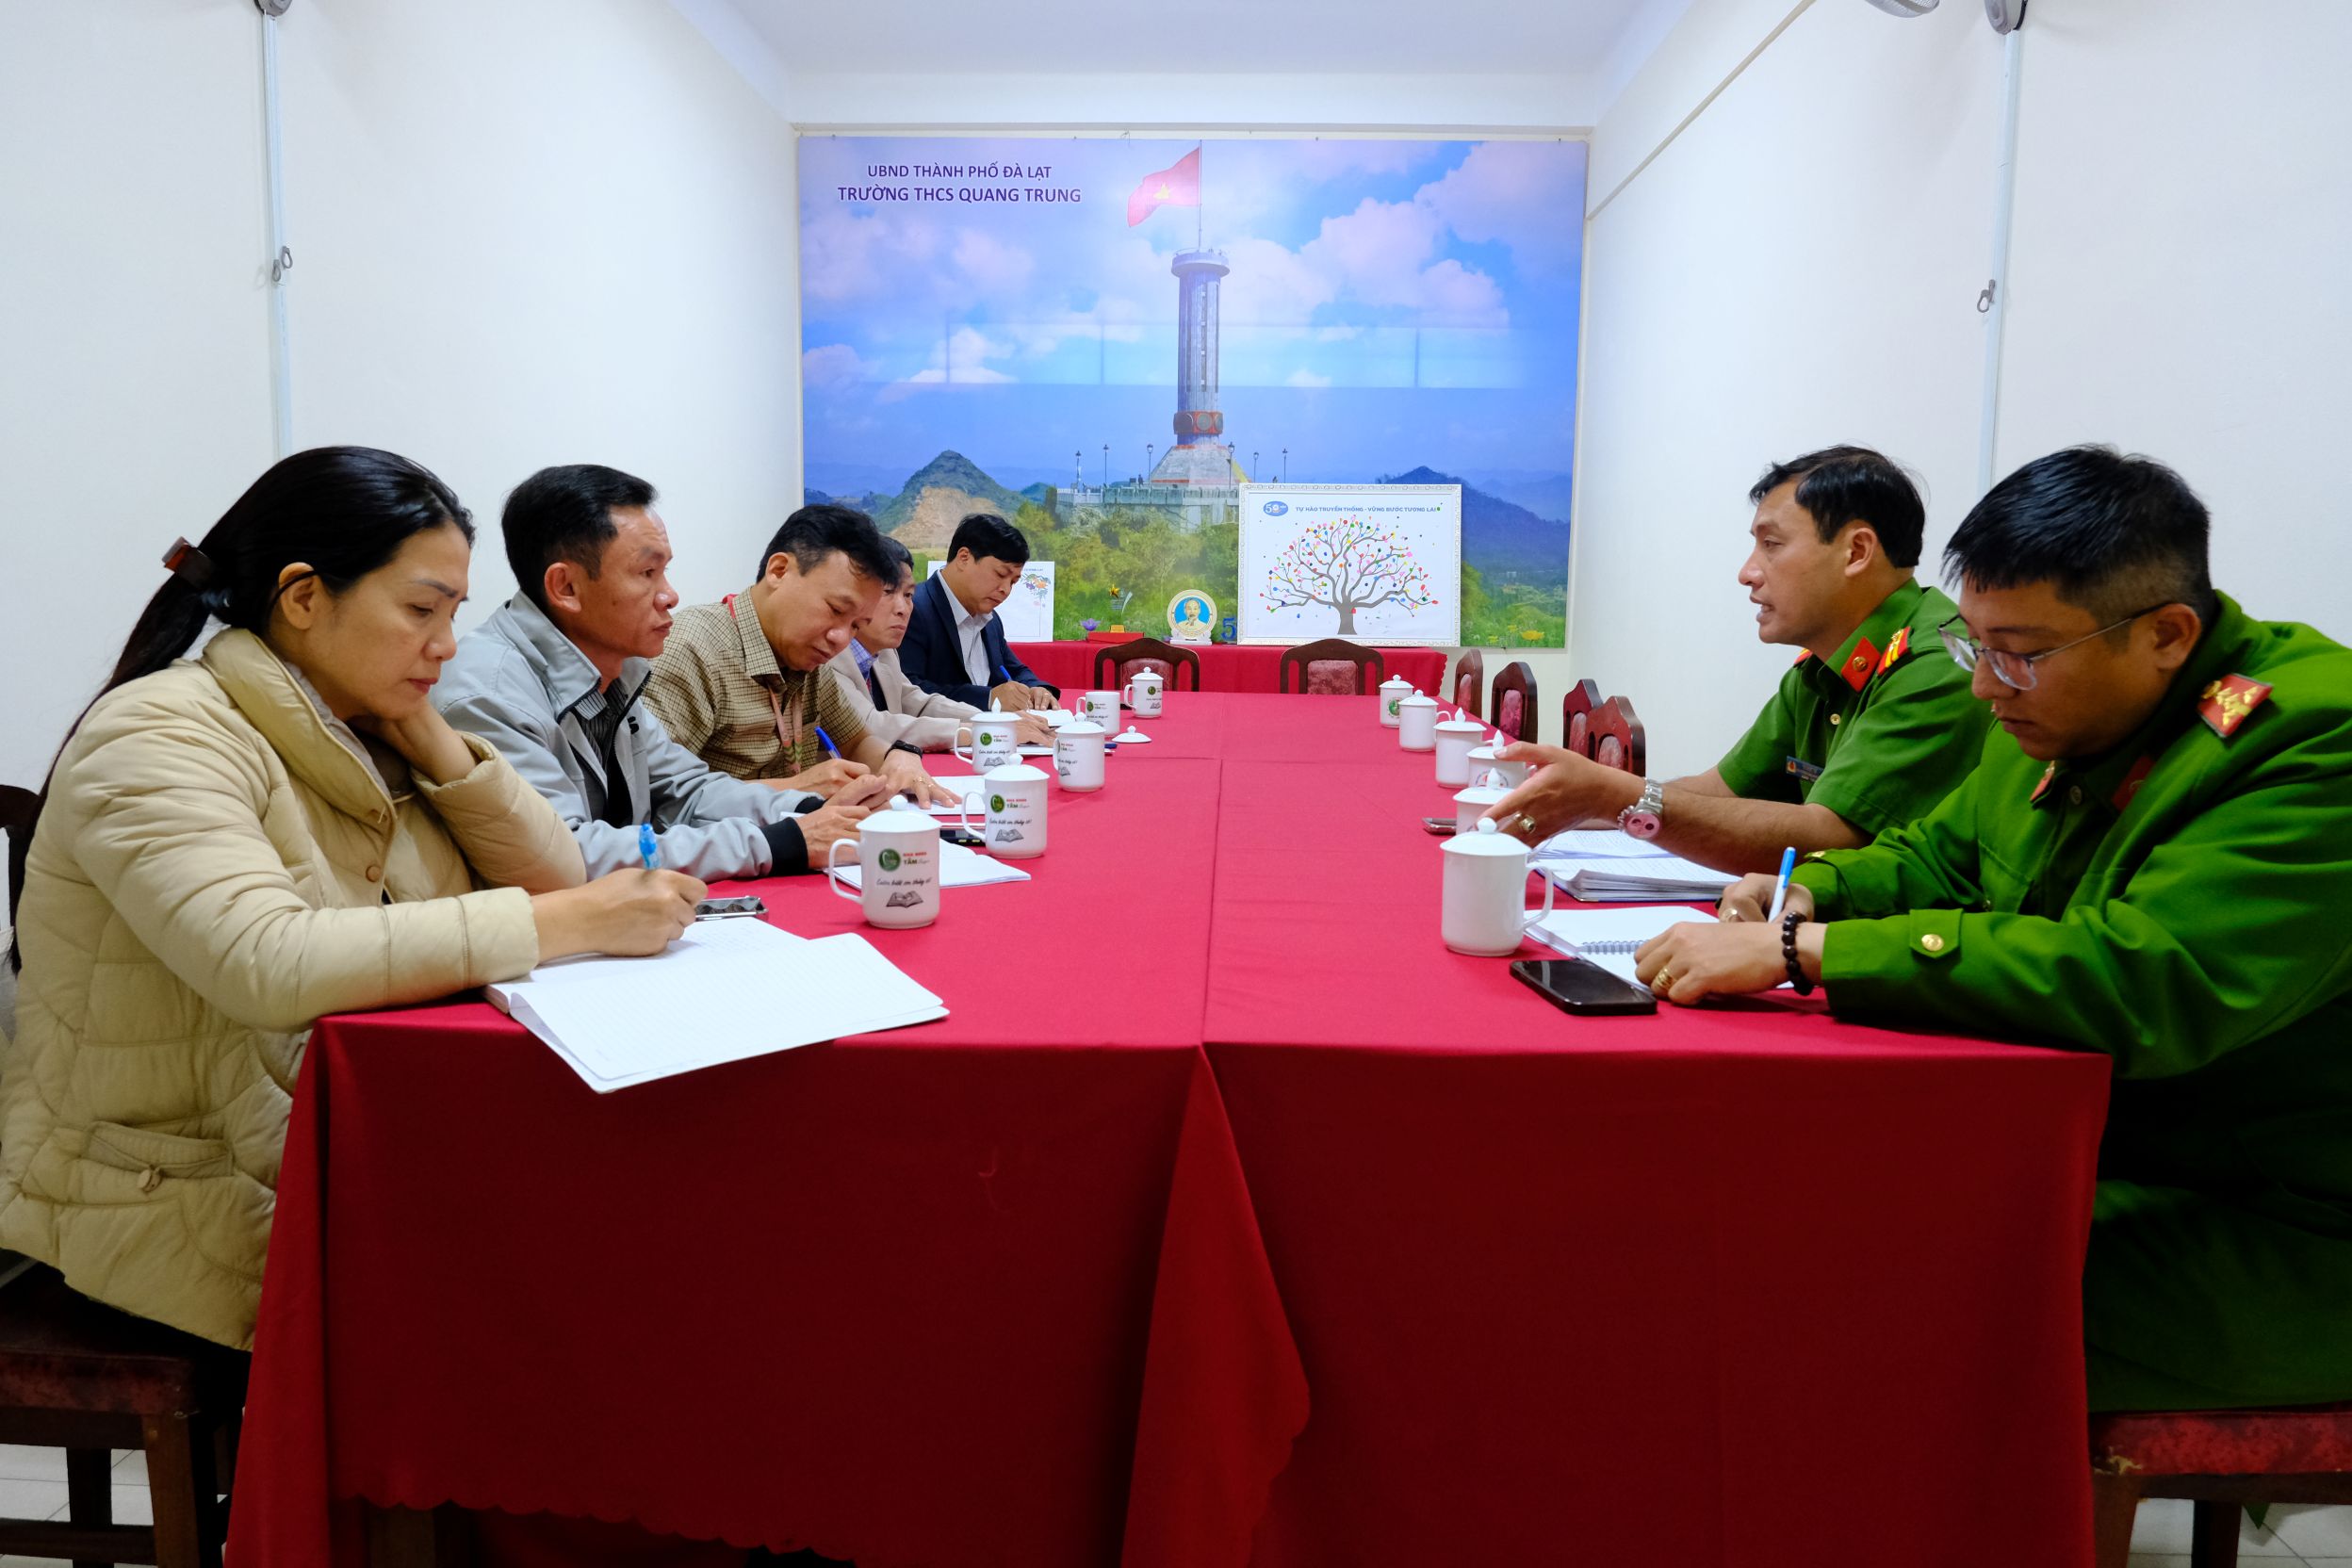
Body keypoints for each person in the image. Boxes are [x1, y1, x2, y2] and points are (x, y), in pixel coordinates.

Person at [1636, 447, 2352, 1412]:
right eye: (1977, 647)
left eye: (2017, 653)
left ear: (2167, 634)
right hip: (2088, 1142)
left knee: (1871, 1294)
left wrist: (1807, 953)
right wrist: (1809, 896)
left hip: (2278, 1222)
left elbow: (2149, 978)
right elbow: (1939, 857)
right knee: (1785, 1210)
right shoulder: (2053, 709)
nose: (1985, 687)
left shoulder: (2310, 742)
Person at [0, 448, 703, 1348]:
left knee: (638, 1235)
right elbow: (268, 960)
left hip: (336, 1146)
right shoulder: (158, 732)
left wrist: (434, 740)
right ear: (303, 598)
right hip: (177, 1197)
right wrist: (564, 924)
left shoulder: (360, 721)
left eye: (452, 613)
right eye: (421, 610)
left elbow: (557, 874)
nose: (447, 645)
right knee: (576, 1300)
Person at [1486, 447, 1990, 874]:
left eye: (1771, 545)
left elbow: (1831, 838)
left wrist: (1614, 796)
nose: (1747, 573)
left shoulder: (1937, 665)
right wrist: (1572, 801)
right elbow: (1718, 791)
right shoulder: (1819, 667)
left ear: (1856, 551)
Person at [436, 465, 890, 880]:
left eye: (665, 571)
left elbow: (688, 790)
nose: (670, 595)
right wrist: (780, 841)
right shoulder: (489, 693)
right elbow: (564, 853)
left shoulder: (616, 672)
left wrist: (809, 807)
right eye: (647, 572)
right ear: (566, 587)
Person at [645, 505, 957, 806]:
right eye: (836, 610)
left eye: (856, 625)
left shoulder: (810, 659)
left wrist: (897, 757)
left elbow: (857, 740)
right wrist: (795, 788)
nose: (840, 639)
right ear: (778, 571)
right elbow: (659, 794)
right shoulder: (692, 651)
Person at [825, 536, 1055, 754]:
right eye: (887, 592)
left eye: (908, 595)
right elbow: (871, 726)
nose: (903, 608)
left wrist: (994, 720)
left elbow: (916, 702)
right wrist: (986, 731)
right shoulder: (827, 656)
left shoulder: (884, 652)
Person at [896, 513, 1059, 711]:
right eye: (1000, 574)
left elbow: (1015, 670)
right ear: (964, 558)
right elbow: (907, 691)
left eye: (1013, 582)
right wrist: (988, 699)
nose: (1006, 590)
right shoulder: (913, 610)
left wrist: (1036, 689)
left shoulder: (990, 620)